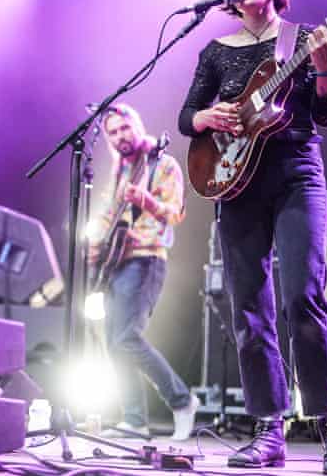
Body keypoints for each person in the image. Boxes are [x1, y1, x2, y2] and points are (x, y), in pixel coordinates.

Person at [178, 0, 327, 475]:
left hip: (297, 174)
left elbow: (324, 114)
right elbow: (188, 118)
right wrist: (208, 115)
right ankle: (268, 431)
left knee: (304, 298)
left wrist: (326, 72)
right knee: (249, 311)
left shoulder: (299, 40)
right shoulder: (215, 50)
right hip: (236, 184)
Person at [89, 103, 198, 441]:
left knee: (126, 337)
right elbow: (109, 213)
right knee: (112, 341)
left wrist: (146, 200)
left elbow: (175, 212)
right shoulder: (120, 170)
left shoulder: (162, 164)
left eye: (124, 128)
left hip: (147, 259)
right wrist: (94, 241)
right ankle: (134, 419)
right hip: (117, 263)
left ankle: (182, 400)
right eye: (113, 132)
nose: (120, 136)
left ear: (136, 126)